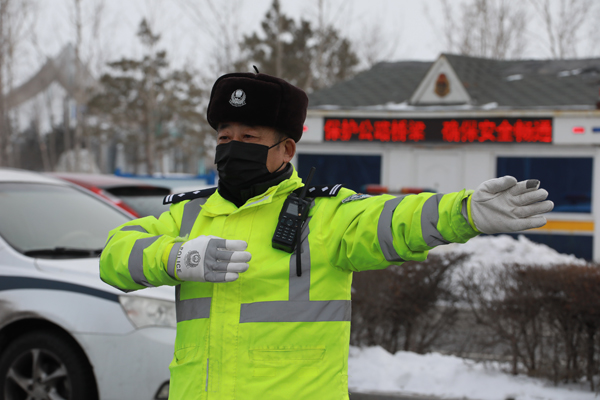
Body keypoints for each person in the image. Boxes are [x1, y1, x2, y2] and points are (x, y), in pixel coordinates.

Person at [99, 72, 554, 400]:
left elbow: (395, 219)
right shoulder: (189, 215)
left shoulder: (324, 215)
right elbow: (115, 255)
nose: (232, 147)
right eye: (224, 137)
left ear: (286, 150)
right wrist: (176, 258)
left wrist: (465, 212)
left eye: (249, 137)